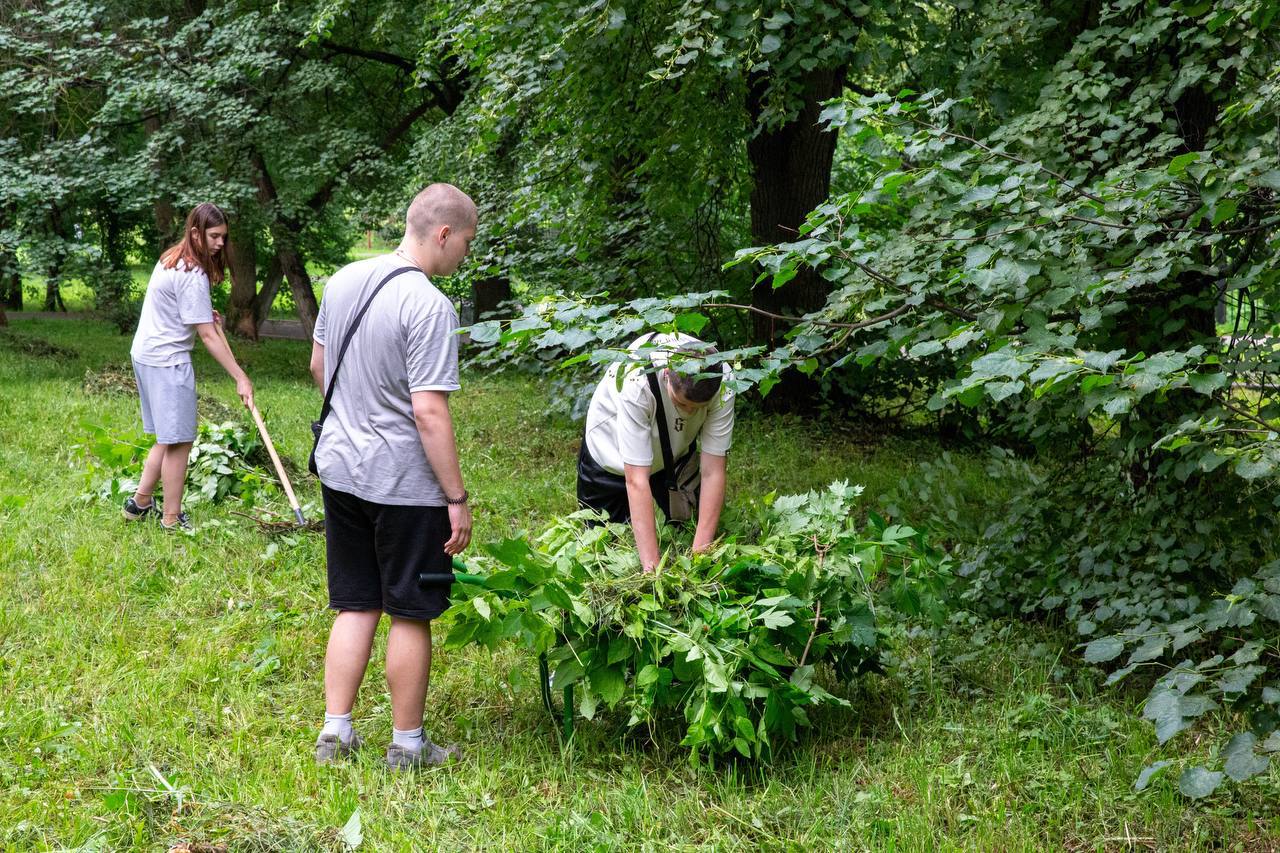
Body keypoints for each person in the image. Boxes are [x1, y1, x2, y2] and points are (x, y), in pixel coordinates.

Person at [309, 183, 474, 770]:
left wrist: (356, 418)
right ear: (443, 234)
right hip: (405, 485)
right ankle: (407, 746)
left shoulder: (345, 279)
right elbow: (429, 411)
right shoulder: (430, 306)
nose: (465, 259)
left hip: (340, 470)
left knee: (355, 602)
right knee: (409, 609)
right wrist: (456, 497)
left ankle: (336, 733)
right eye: (466, 245)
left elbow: (318, 365)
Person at [123, 203, 254, 531]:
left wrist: (203, 313)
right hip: (168, 362)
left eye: (224, 237)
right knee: (180, 440)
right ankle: (171, 518)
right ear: (195, 232)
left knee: (165, 438)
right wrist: (240, 377)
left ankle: (139, 504)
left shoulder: (172, 257)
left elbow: (181, 309)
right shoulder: (194, 273)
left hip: (145, 354)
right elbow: (208, 337)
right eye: (214, 236)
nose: (220, 243)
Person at [577, 333, 735, 572]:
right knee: (607, 550)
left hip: (673, 456)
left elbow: (713, 471)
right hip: (610, 458)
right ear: (666, 375)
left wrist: (700, 557)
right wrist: (652, 573)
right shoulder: (636, 381)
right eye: (682, 405)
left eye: (698, 409)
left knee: (686, 528)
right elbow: (636, 480)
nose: (690, 414)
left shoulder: (722, 379)